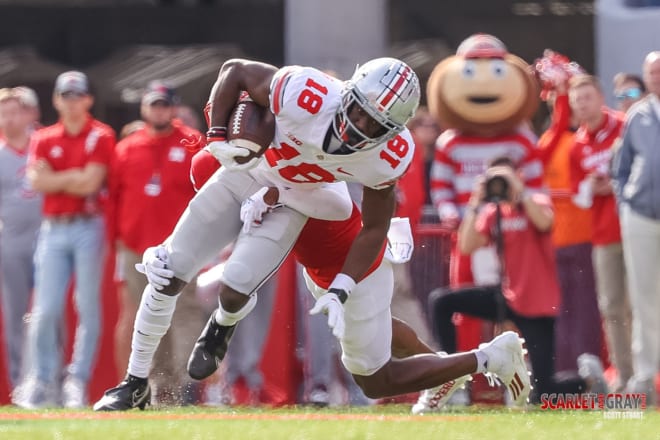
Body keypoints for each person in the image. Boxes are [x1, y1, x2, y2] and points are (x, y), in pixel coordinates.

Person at [94, 57, 530, 411]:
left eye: (375, 124)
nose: (359, 126)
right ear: (346, 94)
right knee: (168, 272)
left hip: (312, 216)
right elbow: (235, 72)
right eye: (358, 110)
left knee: (368, 368)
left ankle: (474, 361)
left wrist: (341, 286)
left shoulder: (365, 171)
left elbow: (372, 225)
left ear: (393, 132)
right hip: (254, 177)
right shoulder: (303, 96)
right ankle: (134, 383)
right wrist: (219, 136)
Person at [430, 157, 606, 403]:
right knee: (442, 301)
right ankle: (449, 377)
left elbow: (545, 222)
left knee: (543, 392)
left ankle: (588, 381)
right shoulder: (494, 212)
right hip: (506, 296)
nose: (500, 184)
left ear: (518, 176)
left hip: (538, 303)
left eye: (504, 177)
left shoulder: (536, 202)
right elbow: (468, 246)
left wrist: (519, 190)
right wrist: (475, 203)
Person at [18, 71, 115, 409]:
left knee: (87, 305)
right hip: (54, 226)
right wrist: (71, 178)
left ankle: (78, 379)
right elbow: (36, 182)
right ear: (57, 100)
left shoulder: (100, 135)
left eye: (77, 96)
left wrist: (57, 178)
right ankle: (42, 378)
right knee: (45, 309)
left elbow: (90, 183)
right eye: (65, 96)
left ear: (88, 99)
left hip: (88, 224)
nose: (72, 102)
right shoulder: (44, 137)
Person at [109, 81, 206, 405]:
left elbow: (208, 194)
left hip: (180, 246)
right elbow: (115, 198)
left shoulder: (193, 144)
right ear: (143, 108)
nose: (159, 110)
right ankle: (161, 389)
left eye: (165, 104)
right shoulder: (127, 148)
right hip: (136, 246)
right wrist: (116, 242)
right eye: (154, 104)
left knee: (184, 312)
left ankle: (188, 383)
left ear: (174, 108)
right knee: (148, 317)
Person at [568, 74, 632, 393]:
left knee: (644, 303)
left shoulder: (624, 126)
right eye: (577, 100)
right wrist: (591, 187)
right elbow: (577, 197)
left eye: (587, 97)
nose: (582, 104)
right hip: (603, 235)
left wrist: (617, 182)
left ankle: (651, 371)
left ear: (601, 97)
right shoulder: (576, 145)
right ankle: (625, 374)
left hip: (635, 227)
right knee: (611, 306)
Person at [537, 82, 602, 381]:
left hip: (581, 239)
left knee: (578, 311)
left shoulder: (576, 143)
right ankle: (571, 375)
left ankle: (577, 374)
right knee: (569, 312)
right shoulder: (558, 142)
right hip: (564, 241)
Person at [612, 51, 660, 405]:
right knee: (643, 298)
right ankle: (646, 373)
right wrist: (625, 202)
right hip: (641, 215)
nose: (656, 77)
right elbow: (622, 168)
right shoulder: (637, 116)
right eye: (652, 72)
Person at [0, 88, 43, 392]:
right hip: (11, 241)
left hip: (47, 237)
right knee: (15, 313)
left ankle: (48, 378)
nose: (8, 119)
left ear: (30, 113)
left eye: (14, 111)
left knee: (47, 312)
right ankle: (19, 382)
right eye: (3, 113)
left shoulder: (44, 145)